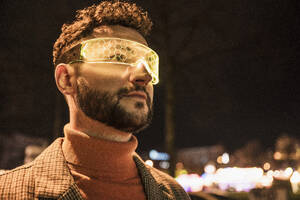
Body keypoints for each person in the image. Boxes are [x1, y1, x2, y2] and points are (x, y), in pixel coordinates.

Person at [0, 1, 190, 199]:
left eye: (149, 63)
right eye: (117, 56)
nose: (145, 75)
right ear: (66, 79)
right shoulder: (8, 192)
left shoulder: (175, 193)